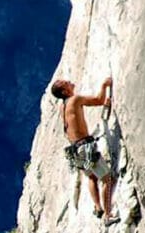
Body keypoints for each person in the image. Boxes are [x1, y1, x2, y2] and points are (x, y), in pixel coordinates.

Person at [50, 77, 118, 225]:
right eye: (65, 83)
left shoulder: (63, 106)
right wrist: (104, 85)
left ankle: (98, 207)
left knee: (92, 177)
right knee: (107, 179)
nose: (69, 81)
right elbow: (99, 100)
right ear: (65, 91)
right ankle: (108, 215)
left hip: (75, 150)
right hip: (85, 147)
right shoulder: (75, 99)